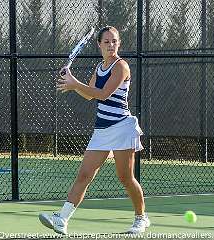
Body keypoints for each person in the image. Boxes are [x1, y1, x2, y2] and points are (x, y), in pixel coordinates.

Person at [38, 26, 150, 235]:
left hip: (122, 128)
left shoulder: (121, 66)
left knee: (125, 177)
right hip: (102, 130)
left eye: (114, 41)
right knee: (84, 175)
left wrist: (74, 83)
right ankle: (62, 219)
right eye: (106, 42)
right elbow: (89, 94)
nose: (111, 45)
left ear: (119, 43)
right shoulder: (100, 67)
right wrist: (72, 81)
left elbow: (104, 94)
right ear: (99, 44)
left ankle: (141, 218)